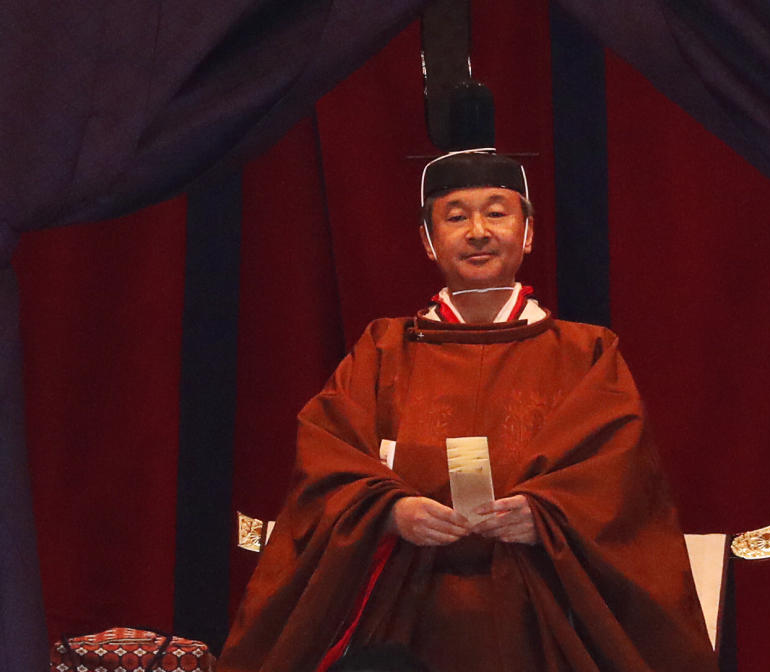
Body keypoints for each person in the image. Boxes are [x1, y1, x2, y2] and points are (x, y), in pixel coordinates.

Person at [217, 149, 717, 672]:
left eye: (496, 212)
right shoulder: (384, 349)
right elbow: (327, 461)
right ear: (428, 241)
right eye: (456, 216)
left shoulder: (587, 353)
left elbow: (621, 479)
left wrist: (547, 513)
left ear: (527, 233)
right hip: (404, 599)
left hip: (545, 603)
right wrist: (388, 509)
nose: (478, 231)